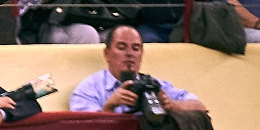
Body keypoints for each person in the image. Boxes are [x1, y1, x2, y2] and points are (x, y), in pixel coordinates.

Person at [70, 24, 206, 112]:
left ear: (141, 54)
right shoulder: (89, 89)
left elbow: (200, 107)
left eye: (136, 48)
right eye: (121, 47)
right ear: (107, 53)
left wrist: (171, 104)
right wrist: (109, 107)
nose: (129, 54)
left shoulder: (153, 85)